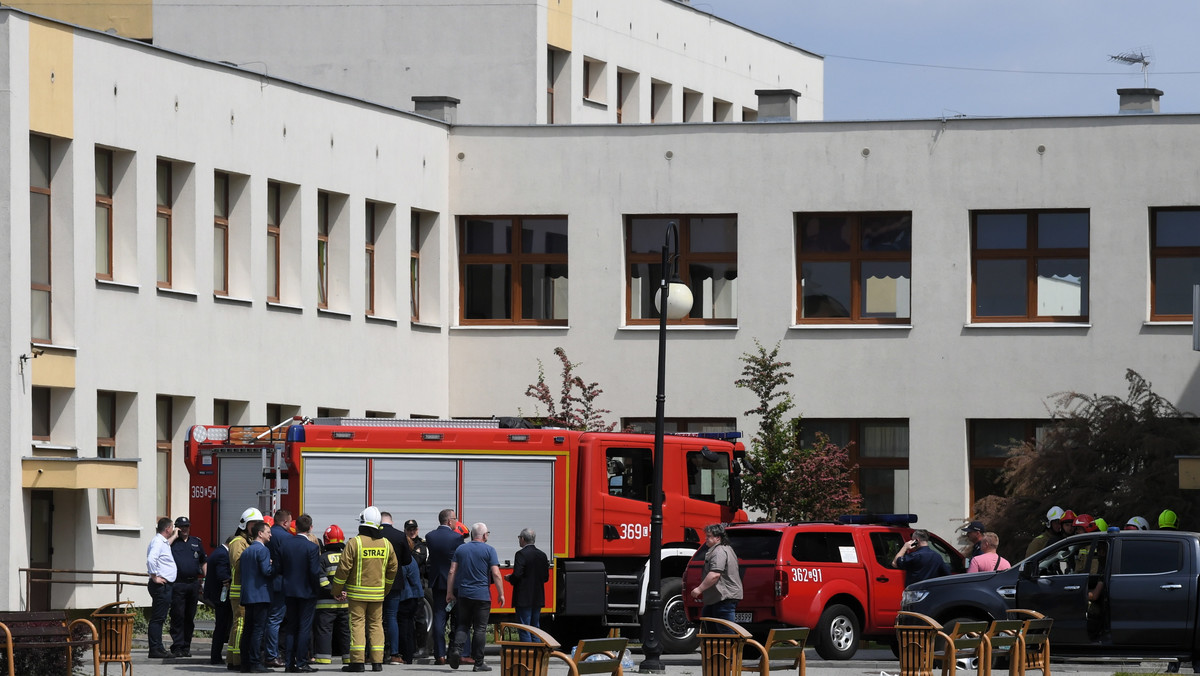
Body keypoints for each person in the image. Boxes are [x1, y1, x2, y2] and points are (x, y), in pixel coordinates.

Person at [331, 506, 399, 673]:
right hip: (377, 595)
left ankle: (357, 663)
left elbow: (343, 569)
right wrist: (386, 589)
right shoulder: (386, 544)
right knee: (376, 626)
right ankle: (377, 663)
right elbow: (393, 568)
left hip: (356, 596)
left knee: (357, 626)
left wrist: (336, 590)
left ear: (362, 523)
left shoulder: (355, 543)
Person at [446, 522, 504, 672]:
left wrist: (449, 592)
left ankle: (456, 650)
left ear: (472, 534)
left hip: (464, 594)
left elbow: (452, 571)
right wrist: (501, 593)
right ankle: (478, 663)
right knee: (480, 628)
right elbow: (496, 573)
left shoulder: (461, 549)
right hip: (482, 596)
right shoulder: (490, 550)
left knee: (463, 625)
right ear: (485, 535)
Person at [280, 513, 323, 673]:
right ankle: (302, 662)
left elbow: (280, 567)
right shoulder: (312, 547)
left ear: (295, 526)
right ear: (311, 528)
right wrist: (315, 589)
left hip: (289, 590)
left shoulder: (286, 544)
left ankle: (289, 663)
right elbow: (314, 572)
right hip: (307, 592)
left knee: (291, 627)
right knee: (304, 628)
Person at [228, 507, 265, 671]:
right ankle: (237, 660)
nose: (256, 526)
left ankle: (235, 657)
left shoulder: (247, 542)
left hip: (245, 590)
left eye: (258, 523)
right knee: (240, 625)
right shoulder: (238, 542)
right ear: (244, 524)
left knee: (241, 625)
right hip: (239, 591)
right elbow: (238, 564)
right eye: (253, 523)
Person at [425, 509, 464, 665]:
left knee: (439, 618)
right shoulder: (457, 538)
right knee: (457, 618)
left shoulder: (430, 537)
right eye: (455, 519)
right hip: (454, 583)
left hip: (437, 582)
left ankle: (440, 655)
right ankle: (453, 651)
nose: (456, 522)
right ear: (449, 521)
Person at [689, 523, 742, 633]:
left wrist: (699, 589)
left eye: (709, 536)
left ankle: (727, 650)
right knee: (710, 627)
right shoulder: (725, 549)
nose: (706, 539)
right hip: (717, 599)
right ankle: (715, 650)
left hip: (723, 598)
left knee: (725, 632)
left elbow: (715, 574)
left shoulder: (719, 552)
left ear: (718, 537)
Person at [168, 515, 207, 658]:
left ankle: (186, 647)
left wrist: (205, 579)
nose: (185, 529)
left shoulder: (196, 542)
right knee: (178, 615)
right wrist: (174, 535)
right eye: (181, 527)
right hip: (178, 583)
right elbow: (163, 547)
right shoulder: (172, 543)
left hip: (193, 584)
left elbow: (203, 561)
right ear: (177, 528)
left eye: (187, 526)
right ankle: (177, 646)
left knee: (189, 617)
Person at [314, 525, 352, 667]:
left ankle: (323, 659)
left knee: (324, 631)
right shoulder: (346, 556)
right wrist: (345, 592)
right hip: (345, 602)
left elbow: (321, 580)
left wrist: (334, 592)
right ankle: (348, 658)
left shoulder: (322, 558)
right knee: (346, 632)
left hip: (326, 603)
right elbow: (352, 577)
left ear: (326, 540)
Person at [240, 520, 276, 674]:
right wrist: (274, 566)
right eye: (268, 532)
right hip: (261, 595)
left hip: (248, 595)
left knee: (248, 629)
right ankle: (255, 662)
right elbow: (266, 572)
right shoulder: (263, 550)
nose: (270, 535)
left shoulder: (247, 551)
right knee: (258, 630)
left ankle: (246, 663)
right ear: (260, 534)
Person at [378, 511, 414, 664]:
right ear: (391, 521)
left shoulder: (374, 535)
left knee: (375, 619)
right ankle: (394, 654)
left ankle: (374, 653)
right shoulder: (400, 536)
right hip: (394, 582)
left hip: (376, 582)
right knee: (392, 617)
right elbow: (407, 560)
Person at [507, 528, 549, 642]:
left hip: (523, 598)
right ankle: (537, 656)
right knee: (535, 628)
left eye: (519, 538)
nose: (519, 540)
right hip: (537, 598)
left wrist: (510, 578)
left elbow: (517, 574)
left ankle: (527, 656)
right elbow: (546, 577)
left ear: (523, 539)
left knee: (524, 628)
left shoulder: (521, 554)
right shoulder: (542, 555)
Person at [265, 509, 294, 669]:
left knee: (267, 619)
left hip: (266, 583)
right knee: (275, 620)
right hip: (281, 583)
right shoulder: (287, 538)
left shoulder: (267, 534)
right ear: (284, 522)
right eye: (289, 522)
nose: (290, 525)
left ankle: (267, 652)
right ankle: (272, 655)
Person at [146, 516, 179, 659]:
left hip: (165, 586)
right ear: (168, 529)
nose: (173, 529)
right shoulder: (158, 542)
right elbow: (151, 559)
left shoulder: (162, 541)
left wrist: (175, 536)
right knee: (158, 618)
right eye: (172, 527)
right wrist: (154, 577)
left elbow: (166, 545)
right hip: (161, 586)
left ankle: (158, 647)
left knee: (160, 617)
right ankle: (155, 649)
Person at [203, 535, 234, 666]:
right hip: (220, 597)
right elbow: (223, 575)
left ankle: (216, 655)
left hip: (216, 594)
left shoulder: (219, 551)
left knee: (222, 626)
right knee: (221, 626)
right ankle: (215, 656)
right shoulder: (223, 554)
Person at [393, 539, 424, 664]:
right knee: (410, 627)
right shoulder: (412, 560)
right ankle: (409, 654)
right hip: (414, 597)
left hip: (405, 597)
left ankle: (405, 655)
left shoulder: (404, 562)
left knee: (404, 627)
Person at [404, 519, 430, 659]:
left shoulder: (421, 546)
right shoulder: (403, 544)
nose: (412, 532)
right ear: (405, 531)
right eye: (409, 529)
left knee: (419, 618)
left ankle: (422, 648)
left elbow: (414, 561)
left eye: (414, 529)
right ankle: (409, 647)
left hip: (417, 586)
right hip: (404, 586)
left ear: (418, 530)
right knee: (406, 619)